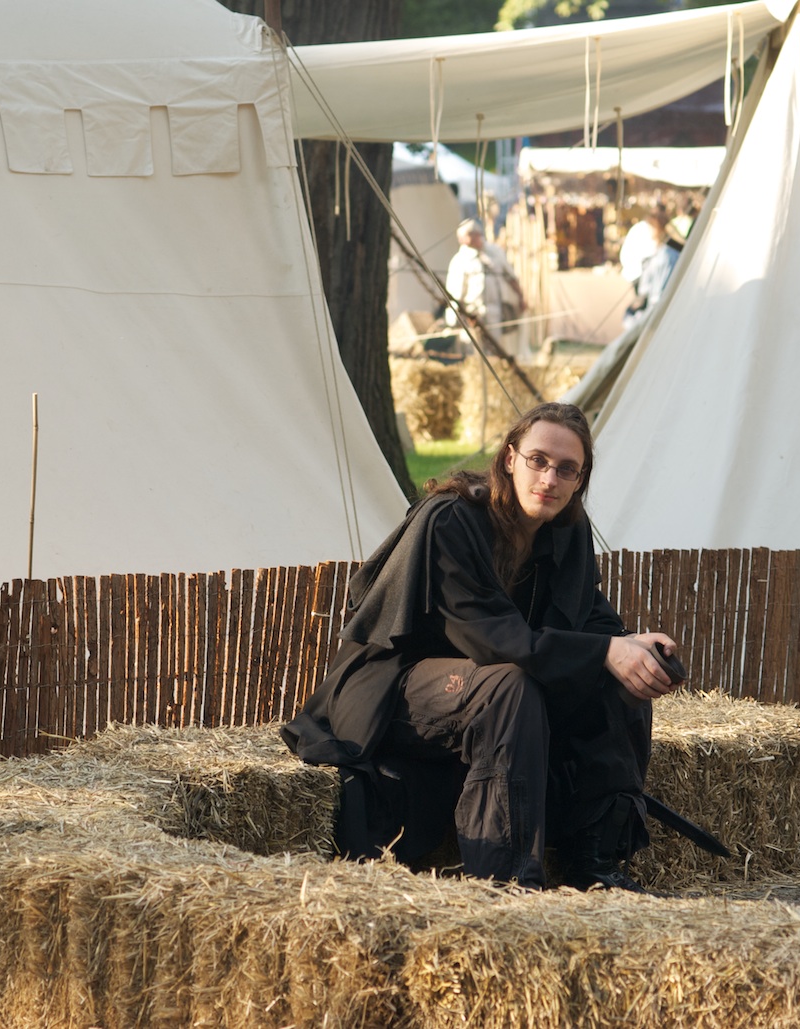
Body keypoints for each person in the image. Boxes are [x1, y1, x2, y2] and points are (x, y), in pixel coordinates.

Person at [281, 402, 682, 891]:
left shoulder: (566, 527)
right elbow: (493, 639)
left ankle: (594, 861)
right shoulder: (451, 520)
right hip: (393, 691)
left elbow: (582, 613)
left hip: (481, 683)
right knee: (509, 687)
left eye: (566, 469)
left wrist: (628, 645)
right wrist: (603, 651)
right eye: (538, 460)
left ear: (581, 480)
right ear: (510, 458)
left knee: (619, 681)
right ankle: (507, 882)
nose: (549, 479)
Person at [444, 218, 528, 360]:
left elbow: (511, 277)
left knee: (494, 350)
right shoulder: (459, 260)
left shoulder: (494, 252)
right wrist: (455, 317)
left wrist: (521, 297)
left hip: (493, 312)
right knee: (473, 352)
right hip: (471, 313)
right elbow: (454, 293)